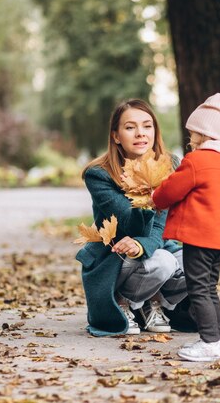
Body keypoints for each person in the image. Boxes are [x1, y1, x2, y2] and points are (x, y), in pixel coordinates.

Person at [76, 99, 189, 337]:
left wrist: (144, 244)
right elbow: (129, 221)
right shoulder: (99, 174)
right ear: (116, 136)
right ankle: (121, 301)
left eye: (147, 126)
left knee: (203, 264)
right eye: (130, 127)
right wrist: (149, 190)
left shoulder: (171, 165)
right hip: (116, 255)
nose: (140, 134)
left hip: (157, 245)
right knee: (163, 262)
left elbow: (160, 224)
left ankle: (152, 301)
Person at [152, 93, 220, 361]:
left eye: (193, 133)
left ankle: (209, 342)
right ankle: (216, 339)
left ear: (204, 134)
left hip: (199, 237)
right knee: (209, 288)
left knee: (198, 289)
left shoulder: (197, 161)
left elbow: (171, 190)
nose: (190, 139)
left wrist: (155, 198)